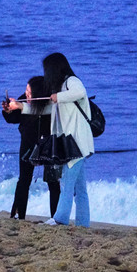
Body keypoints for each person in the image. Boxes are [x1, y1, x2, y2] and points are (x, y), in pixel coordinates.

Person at [41, 53, 94, 227]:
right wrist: (19, 106)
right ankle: (83, 224)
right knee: (80, 188)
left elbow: (81, 92)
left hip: (77, 144)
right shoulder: (60, 89)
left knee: (68, 182)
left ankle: (60, 219)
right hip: (71, 145)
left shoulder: (71, 81)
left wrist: (59, 97)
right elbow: (45, 109)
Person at [2, 76, 61, 219]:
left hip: (49, 144)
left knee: (53, 182)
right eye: (26, 90)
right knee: (24, 180)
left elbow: (44, 110)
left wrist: (22, 107)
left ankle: (56, 217)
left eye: (29, 91)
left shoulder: (50, 103)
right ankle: (18, 215)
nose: (26, 94)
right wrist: (8, 110)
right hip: (28, 144)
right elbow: (13, 119)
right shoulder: (24, 99)